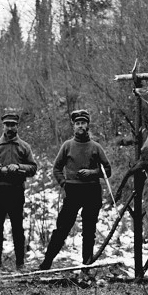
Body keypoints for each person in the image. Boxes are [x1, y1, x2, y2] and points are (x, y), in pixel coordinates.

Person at [39, 109, 112, 270]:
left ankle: (86, 264)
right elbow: (56, 168)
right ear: (73, 126)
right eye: (77, 123)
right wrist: (64, 183)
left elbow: (108, 170)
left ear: (87, 125)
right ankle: (46, 262)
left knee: (89, 229)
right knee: (62, 228)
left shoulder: (96, 147)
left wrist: (92, 172)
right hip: (72, 192)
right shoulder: (67, 146)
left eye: (83, 123)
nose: (80, 126)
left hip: (92, 191)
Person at [0, 113, 37, 269]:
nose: (10, 128)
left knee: (17, 227)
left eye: (13, 125)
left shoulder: (24, 147)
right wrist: (1, 171)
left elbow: (33, 168)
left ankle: (20, 263)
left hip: (16, 190)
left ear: (17, 126)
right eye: (7, 125)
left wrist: (18, 167)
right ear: (3, 126)